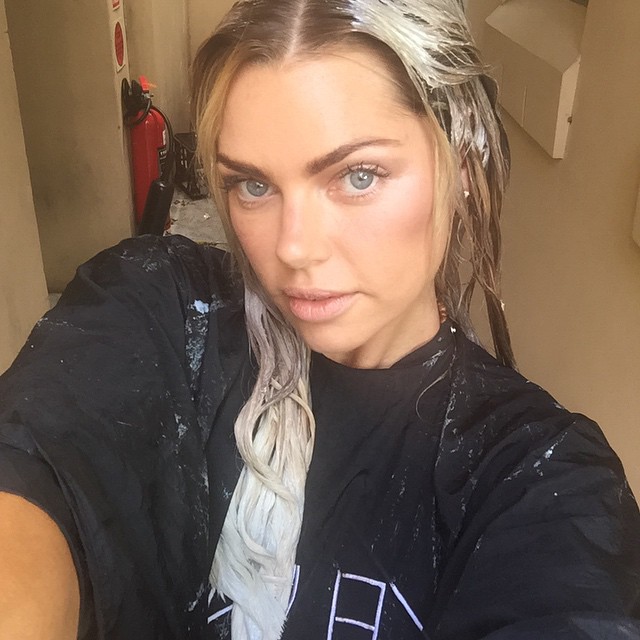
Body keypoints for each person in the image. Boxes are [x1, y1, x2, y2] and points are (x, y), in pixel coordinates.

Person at [0, 0, 639, 638]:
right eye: (253, 185)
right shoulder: (166, 307)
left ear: (462, 169)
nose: (294, 248)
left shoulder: (538, 475)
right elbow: (36, 460)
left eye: (358, 176)